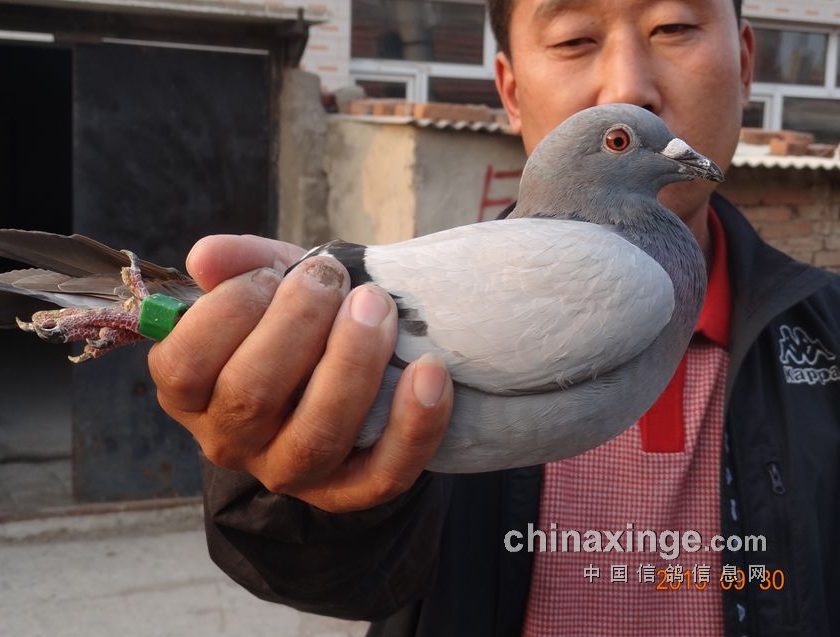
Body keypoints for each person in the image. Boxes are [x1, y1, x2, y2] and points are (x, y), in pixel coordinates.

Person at [148, 0, 840, 634]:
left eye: (674, 27)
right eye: (575, 39)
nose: (630, 84)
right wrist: (287, 474)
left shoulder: (825, 333)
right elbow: (340, 577)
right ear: (508, 88)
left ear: (745, 61)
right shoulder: (534, 274)